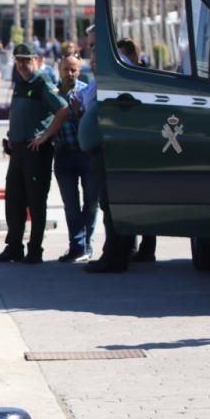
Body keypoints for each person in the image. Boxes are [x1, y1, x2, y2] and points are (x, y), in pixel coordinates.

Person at [0, 43, 69, 264]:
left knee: (35, 201)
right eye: (18, 61)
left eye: (26, 60)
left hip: (35, 151)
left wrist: (45, 135)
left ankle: (35, 250)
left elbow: (63, 109)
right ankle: (14, 247)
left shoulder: (42, 82)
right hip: (18, 150)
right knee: (14, 200)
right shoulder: (20, 82)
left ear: (37, 60)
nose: (22, 65)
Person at [81, 26, 133, 273]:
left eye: (93, 45)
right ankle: (114, 252)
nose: (90, 51)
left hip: (111, 146)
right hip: (101, 147)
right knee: (107, 202)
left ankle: (115, 256)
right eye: (89, 46)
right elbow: (90, 96)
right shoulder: (103, 68)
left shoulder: (116, 65)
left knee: (111, 203)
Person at [115, 37, 158, 262]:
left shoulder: (145, 77)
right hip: (128, 146)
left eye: (123, 56)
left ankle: (148, 247)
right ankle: (130, 245)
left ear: (133, 55)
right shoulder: (124, 77)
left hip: (145, 146)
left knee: (147, 199)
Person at [53, 55, 98, 262]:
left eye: (74, 70)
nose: (70, 74)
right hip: (63, 154)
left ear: (80, 71)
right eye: (66, 70)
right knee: (70, 205)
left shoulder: (86, 91)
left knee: (90, 202)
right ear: (59, 69)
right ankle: (76, 246)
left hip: (85, 154)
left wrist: (80, 113)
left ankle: (86, 245)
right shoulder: (53, 92)